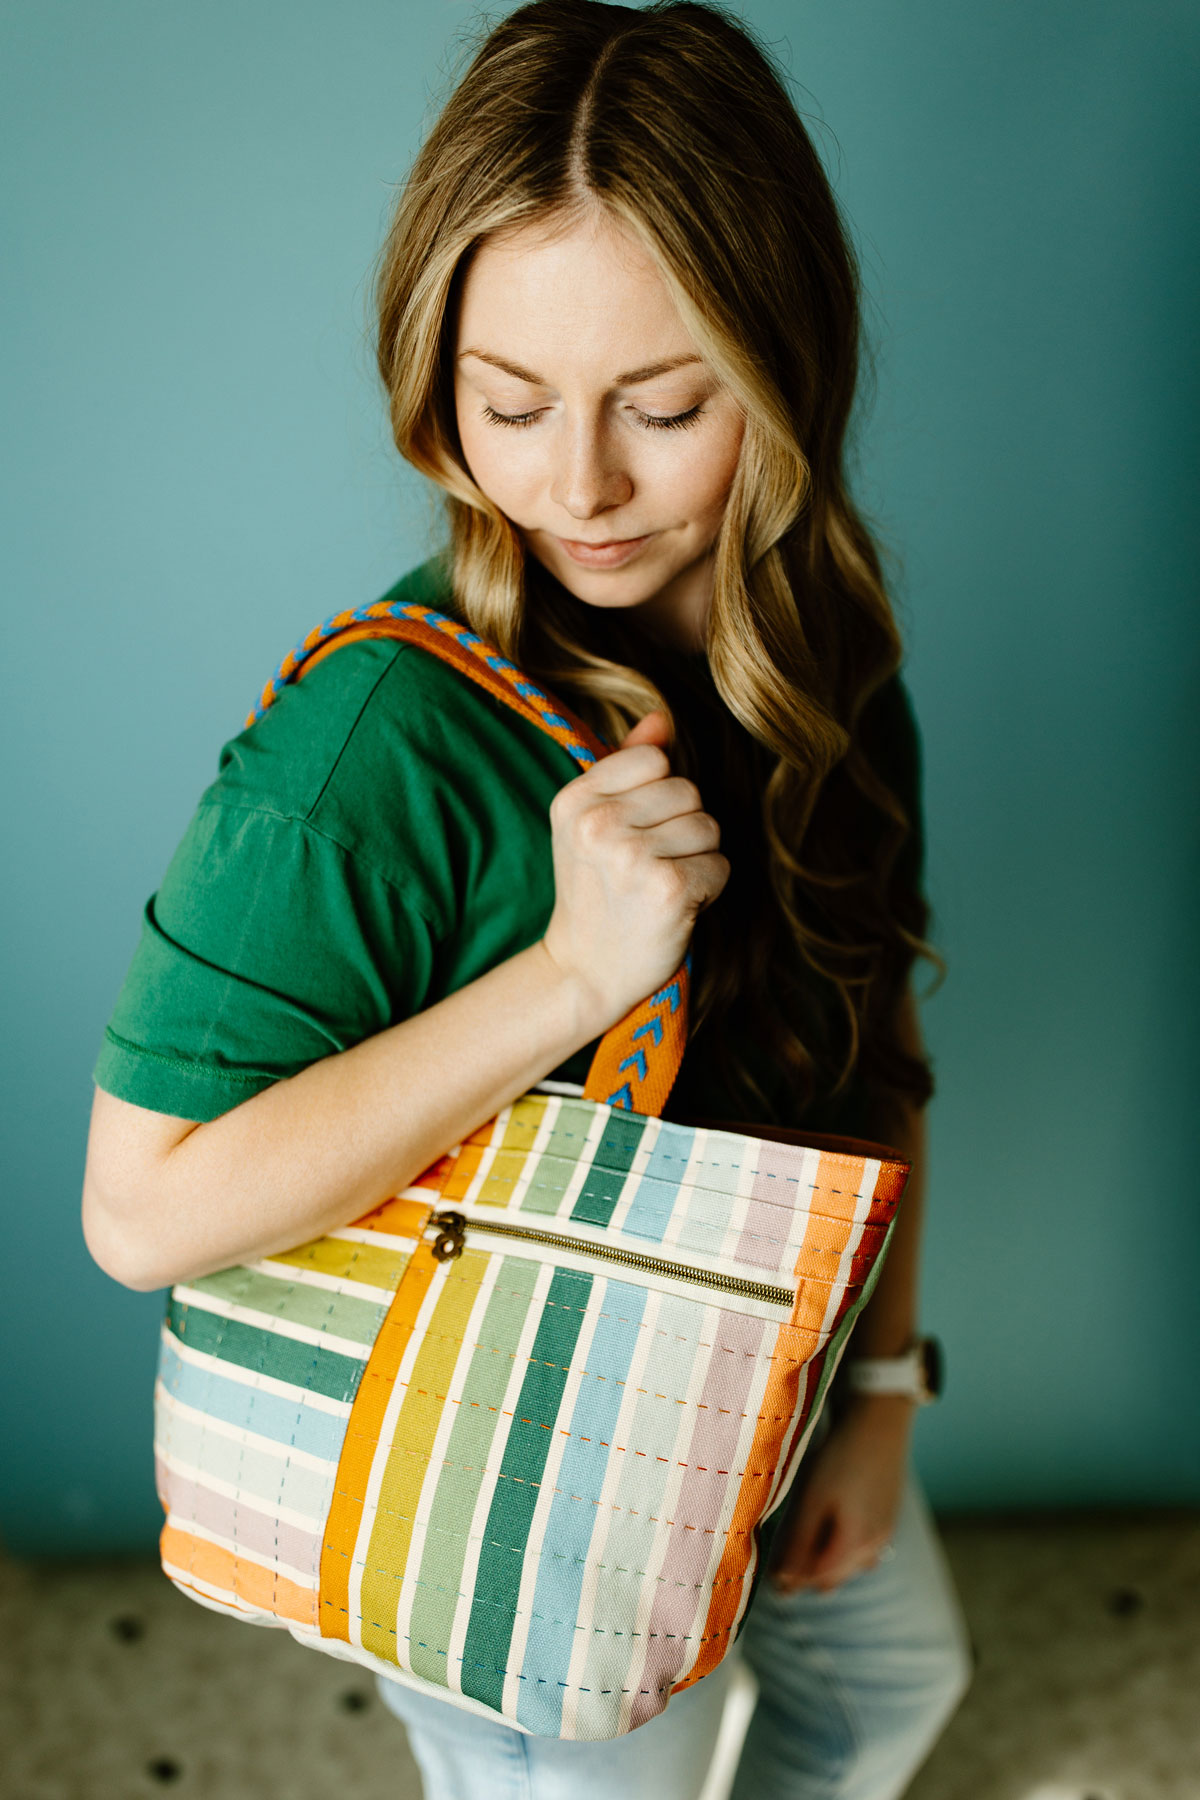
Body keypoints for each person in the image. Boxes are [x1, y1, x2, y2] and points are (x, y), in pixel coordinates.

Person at [81, 1, 974, 1794]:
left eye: (666, 404)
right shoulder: (369, 752)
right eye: (510, 403)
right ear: (435, 378)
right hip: (504, 1483)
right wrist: (574, 976)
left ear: (788, 368)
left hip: (772, 1390)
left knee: (889, 1690)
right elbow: (145, 1211)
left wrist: (879, 1396)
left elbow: (871, 1042)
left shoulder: (826, 668)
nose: (581, 484)